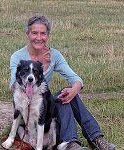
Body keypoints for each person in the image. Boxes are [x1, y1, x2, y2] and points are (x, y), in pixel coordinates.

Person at [9, 15, 116, 150]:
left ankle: (96, 139)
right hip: (29, 106)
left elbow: (76, 79)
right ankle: (72, 143)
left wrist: (73, 90)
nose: (38, 37)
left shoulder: (54, 55)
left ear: (48, 35)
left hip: (45, 103)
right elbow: (13, 86)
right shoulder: (18, 57)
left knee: (66, 93)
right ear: (27, 35)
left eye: (43, 33)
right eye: (34, 33)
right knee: (65, 97)